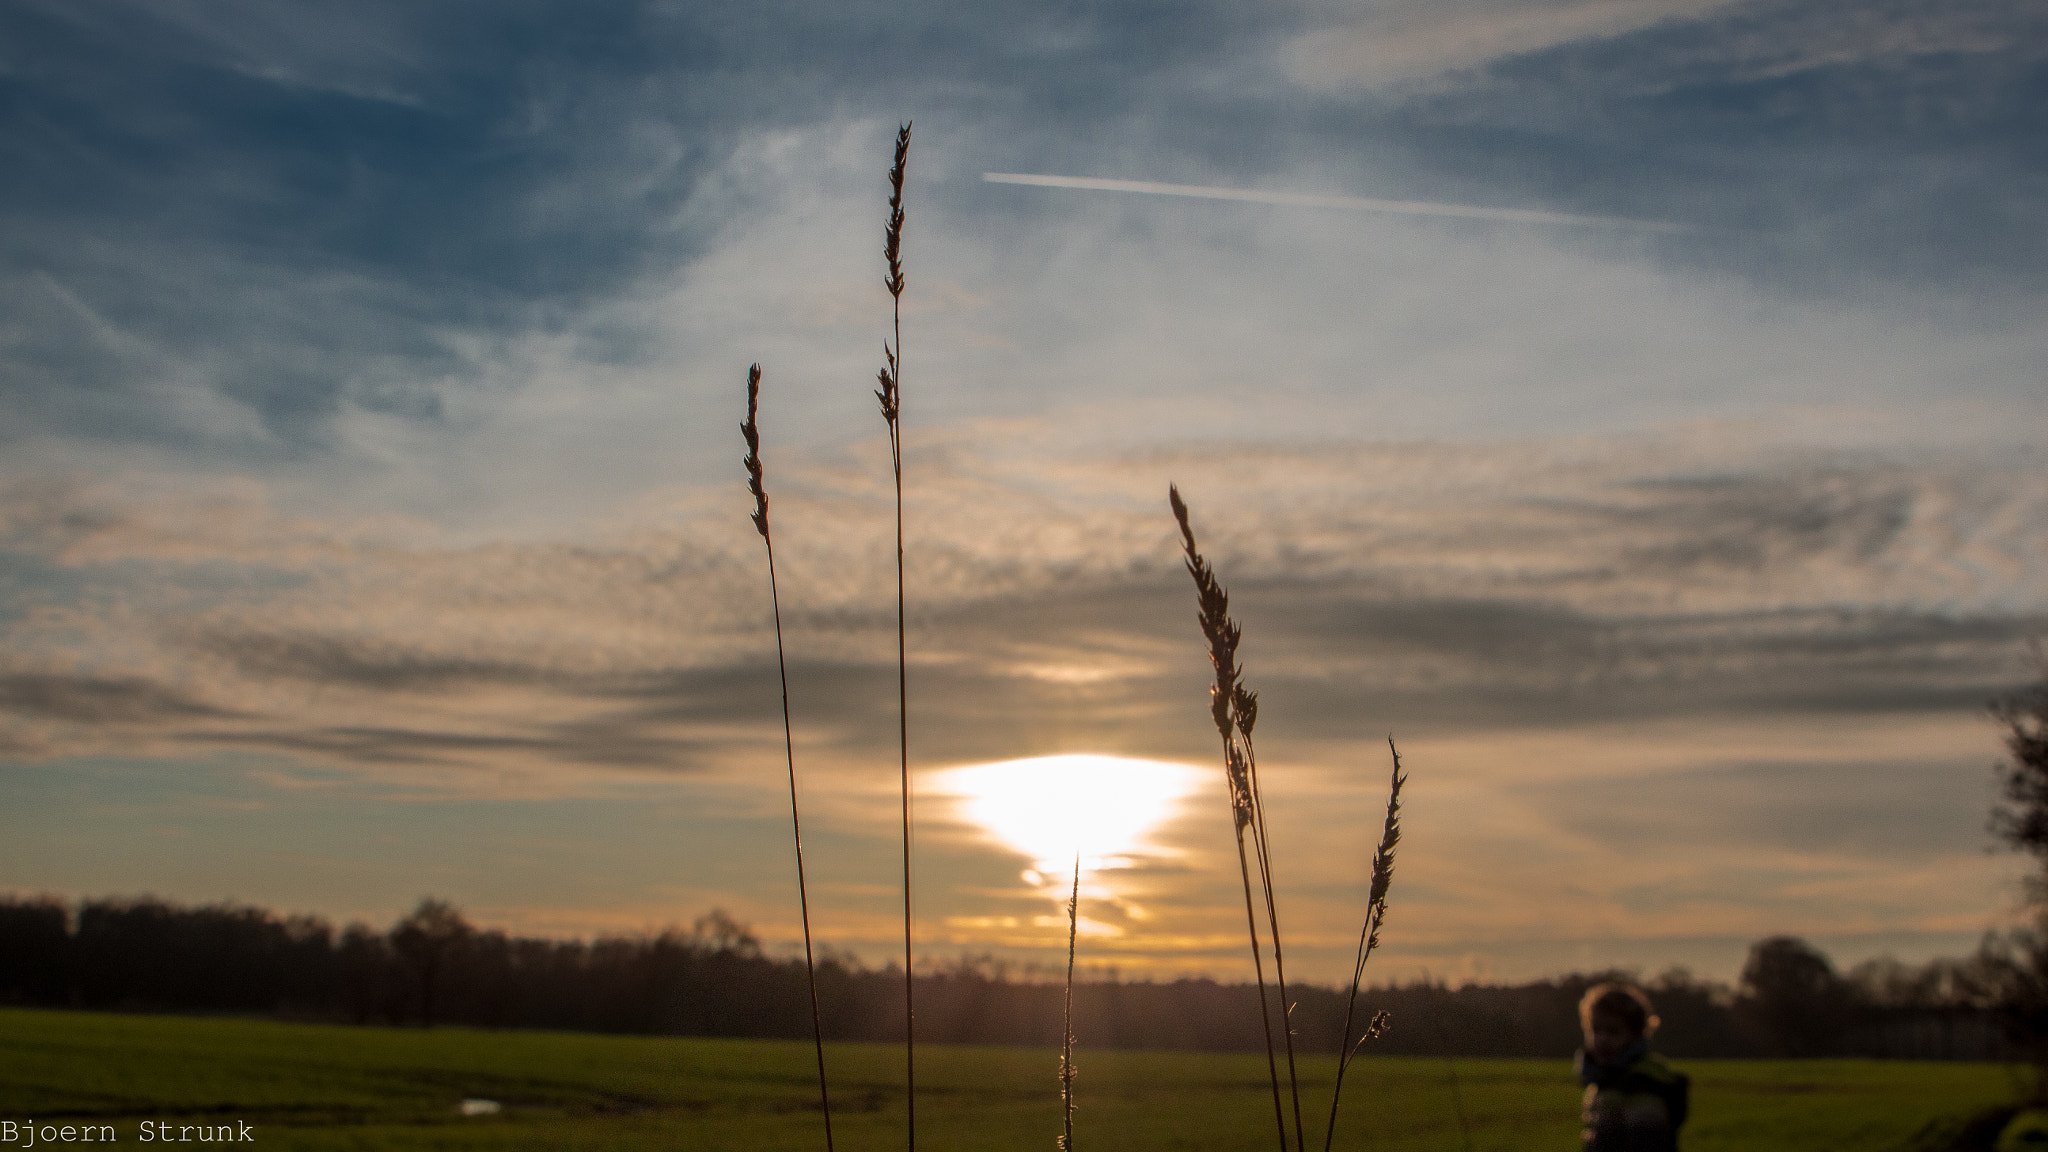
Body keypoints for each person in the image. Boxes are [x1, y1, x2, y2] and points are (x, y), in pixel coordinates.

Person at [1575, 982, 1690, 1152]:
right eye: (1596, 1030)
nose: (1602, 1039)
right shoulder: (1605, 1077)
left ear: (1635, 1035)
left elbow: (1649, 1142)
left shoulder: (1644, 1080)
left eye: (1613, 1031)